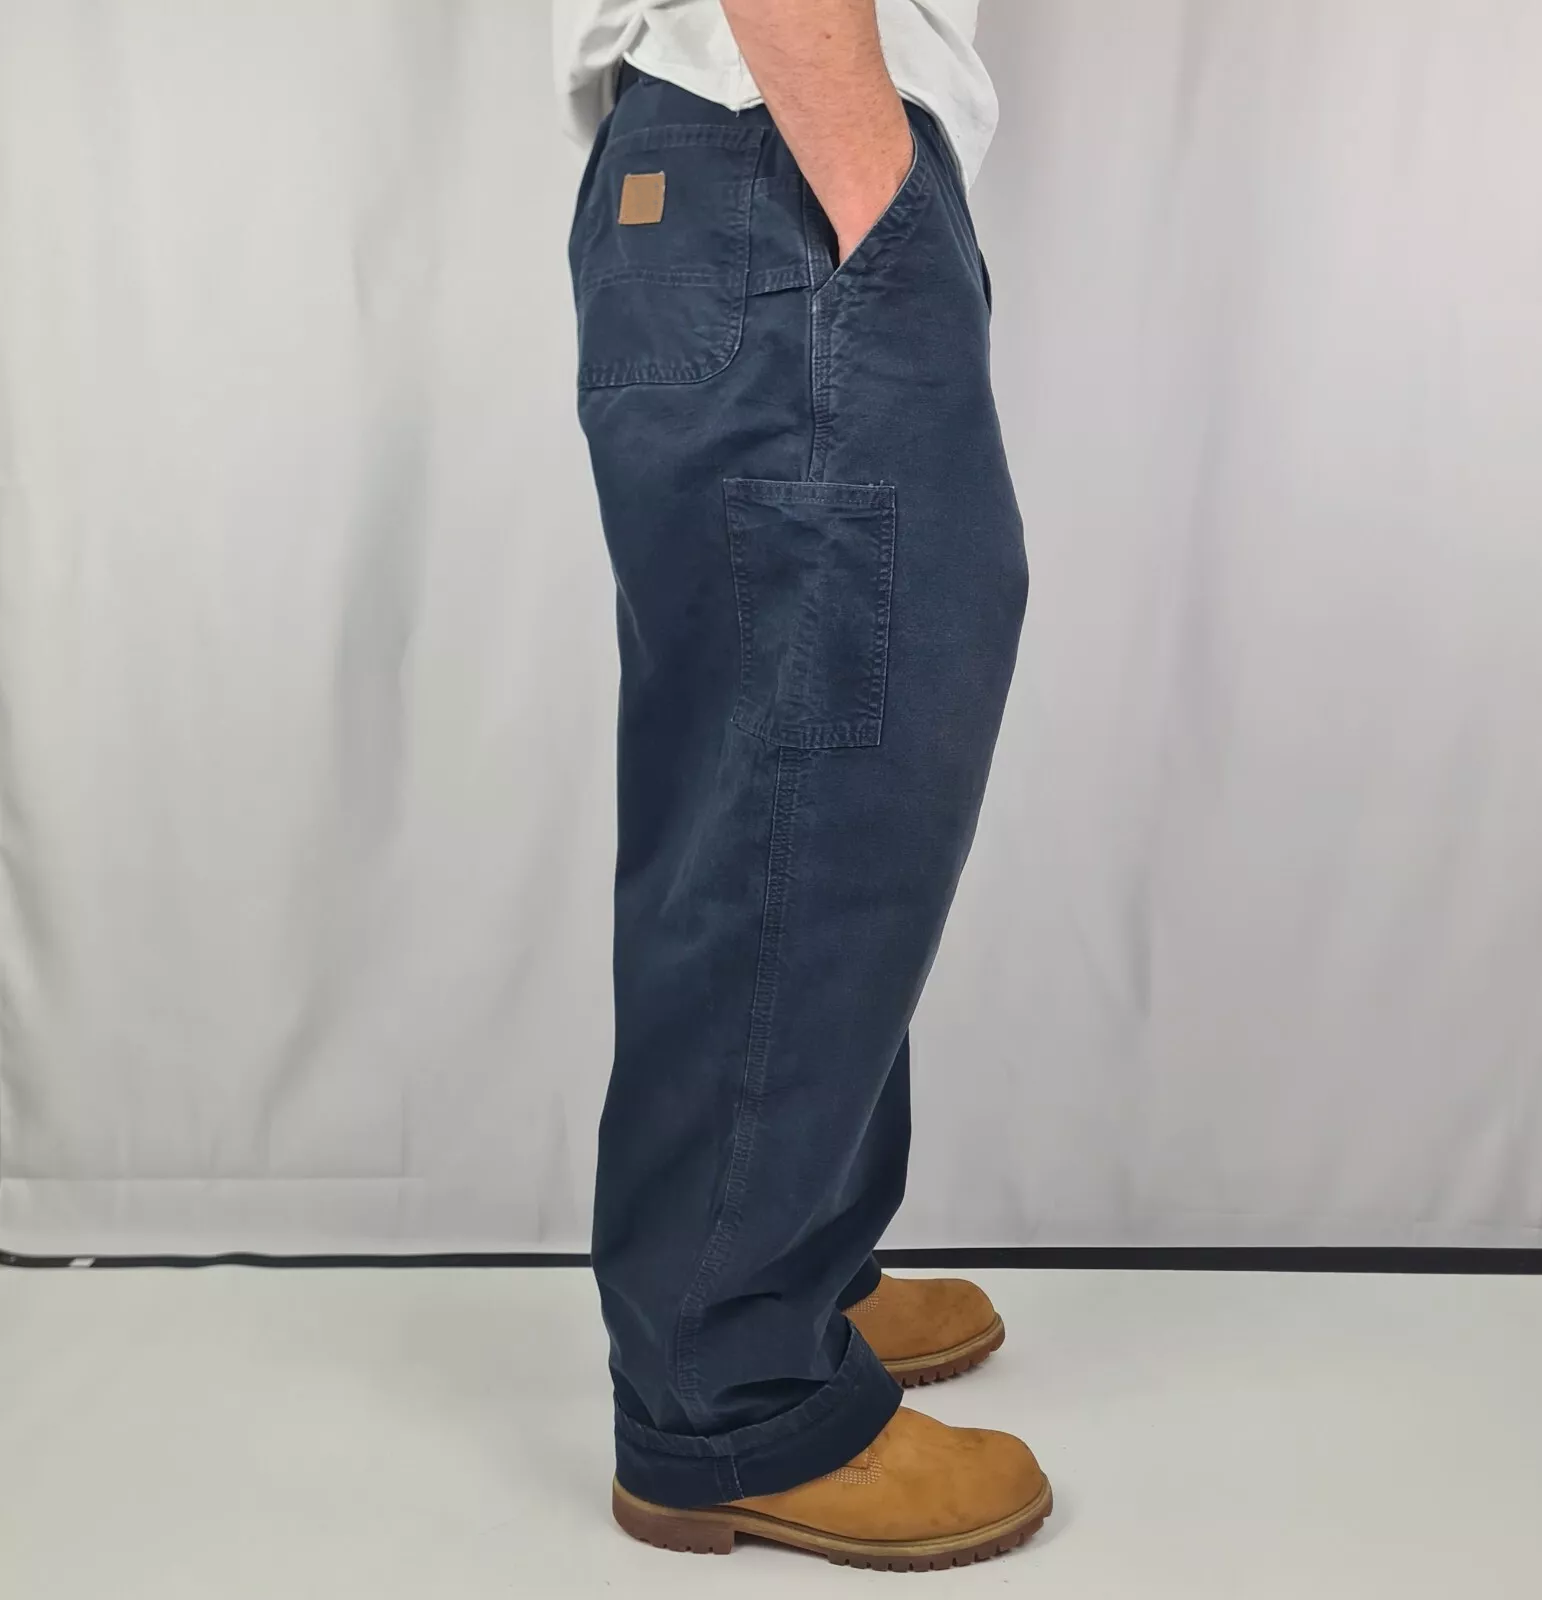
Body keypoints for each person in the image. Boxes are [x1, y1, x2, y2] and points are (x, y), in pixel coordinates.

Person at [556, 0, 1044, 1570]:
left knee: (796, 762)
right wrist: (871, 184)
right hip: (785, 151)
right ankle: (732, 1396)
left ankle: (788, 1272)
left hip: (752, 166)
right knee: (817, 776)